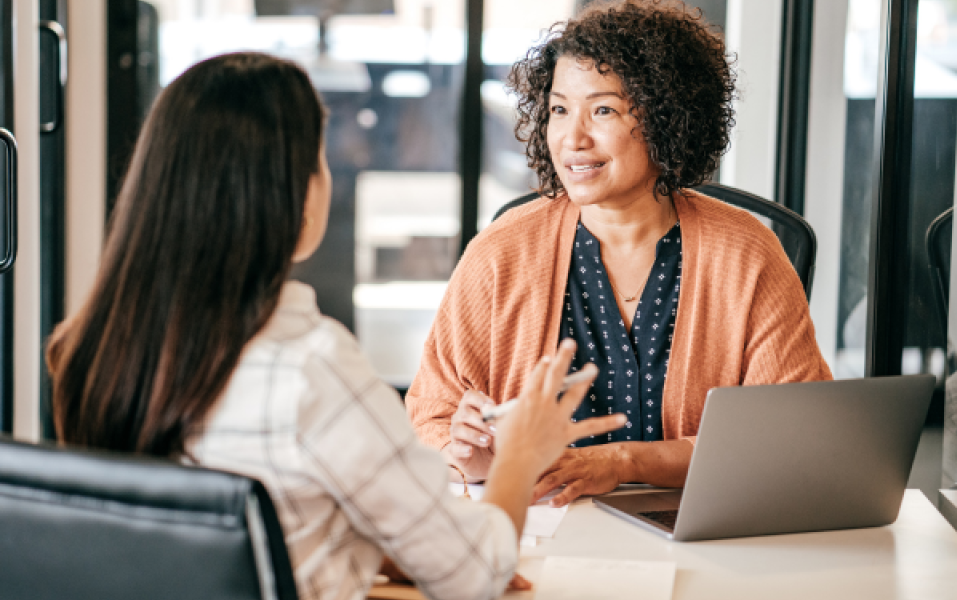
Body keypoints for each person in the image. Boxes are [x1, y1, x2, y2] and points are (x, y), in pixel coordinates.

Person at [46, 53, 624, 600]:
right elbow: (473, 575)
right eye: (321, 159)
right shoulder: (311, 368)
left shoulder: (91, 349)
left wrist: (374, 548)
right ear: (293, 197)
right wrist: (520, 456)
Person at [405, 0, 832, 508]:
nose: (573, 138)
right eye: (560, 110)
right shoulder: (501, 252)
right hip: (538, 527)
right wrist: (470, 456)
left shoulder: (746, 253)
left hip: (698, 531)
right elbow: (431, 415)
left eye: (602, 109)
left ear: (666, 116)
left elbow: (788, 435)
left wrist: (626, 462)